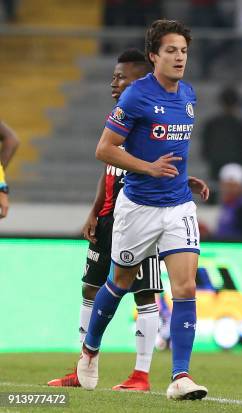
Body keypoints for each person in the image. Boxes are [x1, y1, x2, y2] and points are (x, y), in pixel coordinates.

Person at [77, 20, 210, 400]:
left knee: (184, 288)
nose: (179, 57)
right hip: (137, 207)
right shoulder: (135, 96)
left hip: (177, 207)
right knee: (118, 283)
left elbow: (170, 149)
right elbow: (105, 149)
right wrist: (148, 168)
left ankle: (181, 376)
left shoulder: (188, 94)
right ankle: (90, 351)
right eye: (170, 50)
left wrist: (185, 178)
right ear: (154, 56)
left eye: (183, 50)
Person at [46, 49, 162, 391]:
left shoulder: (154, 119)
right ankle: (84, 370)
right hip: (110, 218)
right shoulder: (119, 115)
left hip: (141, 214)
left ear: (140, 80)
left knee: (144, 294)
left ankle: (140, 375)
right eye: (113, 76)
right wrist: (94, 212)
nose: (114, 82)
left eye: (120, 76)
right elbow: (108, 168)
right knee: (90, 287)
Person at [201, 86, 242, 183]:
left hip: (216, 165)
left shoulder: (212, 124)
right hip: (237, 164)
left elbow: (205, 148)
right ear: (237, 103)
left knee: (214, 189)